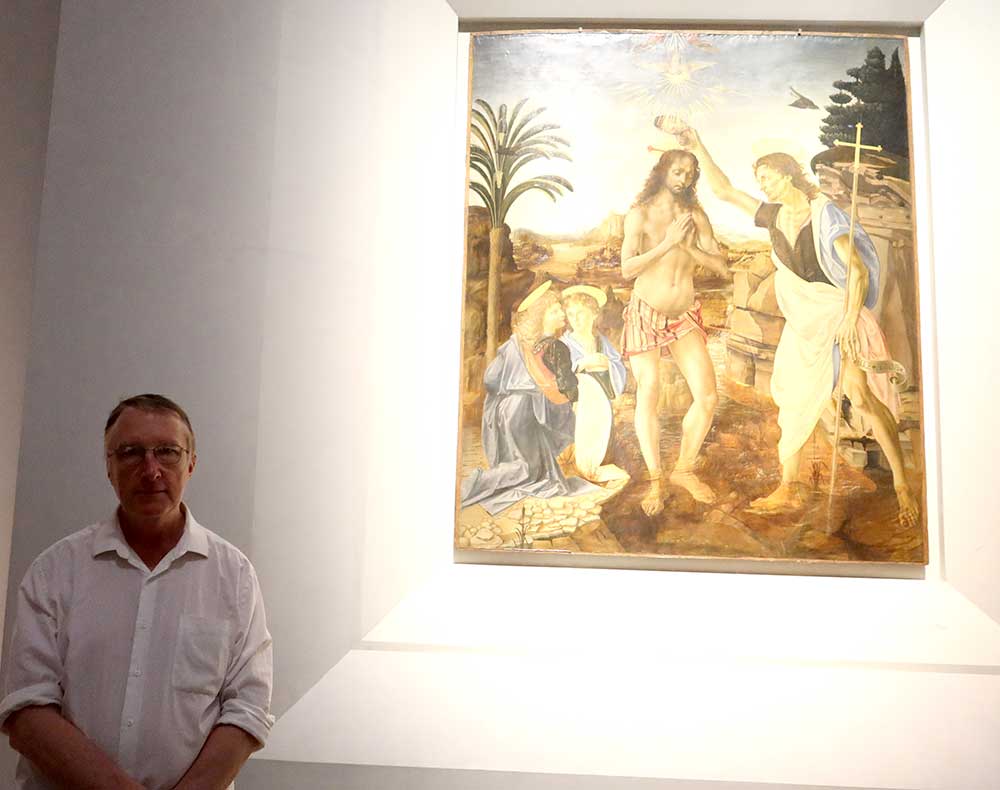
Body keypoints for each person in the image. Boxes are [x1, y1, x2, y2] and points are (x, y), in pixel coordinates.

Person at [1, 394, 273, 790]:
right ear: (108, 468)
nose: (150, 470)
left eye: (167, 452)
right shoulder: (54, 571)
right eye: (130, 453)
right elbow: (27, 710)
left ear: (191, 464)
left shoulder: (235, 576)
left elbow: (247, 708)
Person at [662, 117, 918, 528]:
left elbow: (857, 271)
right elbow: (725, 190)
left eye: (766, 177)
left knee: (860, 395)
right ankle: (789, 485)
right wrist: (697, 144)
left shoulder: (825, 214)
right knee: (795, 399)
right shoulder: (773, 215)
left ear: (786, 174)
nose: (762, 185)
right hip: (804, 323)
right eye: (759, 180)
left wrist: (849, 320)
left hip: (838, 315)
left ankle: (903, 486)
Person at [620, 148, 729, 514]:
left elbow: (722, 268)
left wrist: (688, 247)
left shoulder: (696, 216)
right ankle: (656, 480)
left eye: (690, 173)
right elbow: (626, 269)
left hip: (684, 316)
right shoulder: (640, 214)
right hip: (645, 312)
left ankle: (683, 469)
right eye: (678, 171)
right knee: (648, 390)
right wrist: (667, 244)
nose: (684, 179)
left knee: (708, 396)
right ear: (663, 170)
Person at [461, 281, 598, 514]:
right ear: (540, 316)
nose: (562, 314)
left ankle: (467, 489)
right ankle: (467, 488)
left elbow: (493, 379)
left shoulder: (524, 345)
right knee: (525, 469)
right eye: (555, 311)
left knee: (527, 468)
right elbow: (564, 390)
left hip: (512, 413)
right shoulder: (547, 347)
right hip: (521, 413)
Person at [560, 284, 628, 481]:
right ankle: (583, 465)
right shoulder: (564, 344)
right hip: (577, 402)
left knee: (600, 433)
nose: (576, 319)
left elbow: (617, 364)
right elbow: (560, 374)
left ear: (593, 314)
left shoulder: (600, 341)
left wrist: (607, 364)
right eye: (571, 314)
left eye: (581, 313)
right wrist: (581, 364)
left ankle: (595, 463)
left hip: (601, 401)